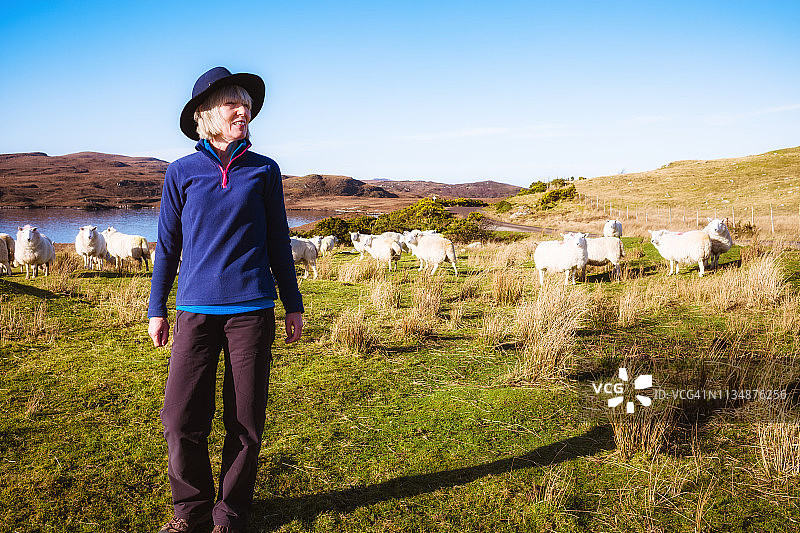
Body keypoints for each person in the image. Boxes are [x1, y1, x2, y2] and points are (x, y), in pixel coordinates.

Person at [147, 66, 304, 533]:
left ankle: (231, 514)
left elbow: (279, 241)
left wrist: (292, 303)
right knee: (179, 419)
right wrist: (157, 308)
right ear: (206, 115)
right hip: (195, 312)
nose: (244, 109)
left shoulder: (264, 170)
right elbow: (167, 247)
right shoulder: (181, 173)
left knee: (245, 421)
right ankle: (190, 512)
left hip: (252, 312)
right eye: (233, 102)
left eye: (247, 103)